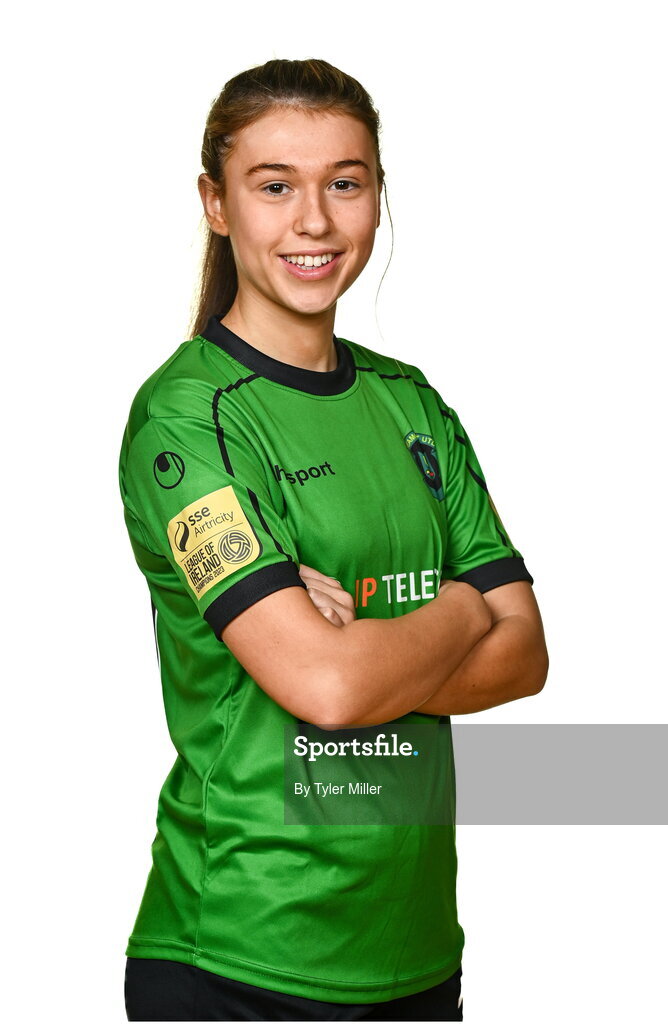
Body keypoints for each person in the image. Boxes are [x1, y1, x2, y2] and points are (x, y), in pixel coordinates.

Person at [119, 57, 549, 1022]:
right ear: (217, 204)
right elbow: (329, 688)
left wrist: (358, 653)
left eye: (343, 183)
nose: (313, 220)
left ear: (376, 197)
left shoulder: (411, 405)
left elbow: (525, 655)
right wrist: (458, 605)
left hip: (415, 951)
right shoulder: (187, 424)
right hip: (241, 957)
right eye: (275, 186)